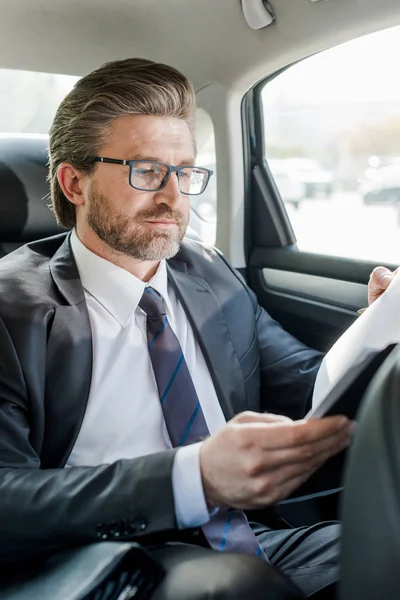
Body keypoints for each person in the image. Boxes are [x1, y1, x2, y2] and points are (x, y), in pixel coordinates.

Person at [0, 58, 378, 599]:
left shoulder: (209, 275)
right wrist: (192, 477)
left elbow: (310, 386)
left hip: (249, 534)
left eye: (185, 172)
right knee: (231, 585)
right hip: (102, 555)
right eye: (147, 171)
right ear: (74, 183)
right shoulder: (9, 311)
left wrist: (377, 331)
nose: (174, 198)